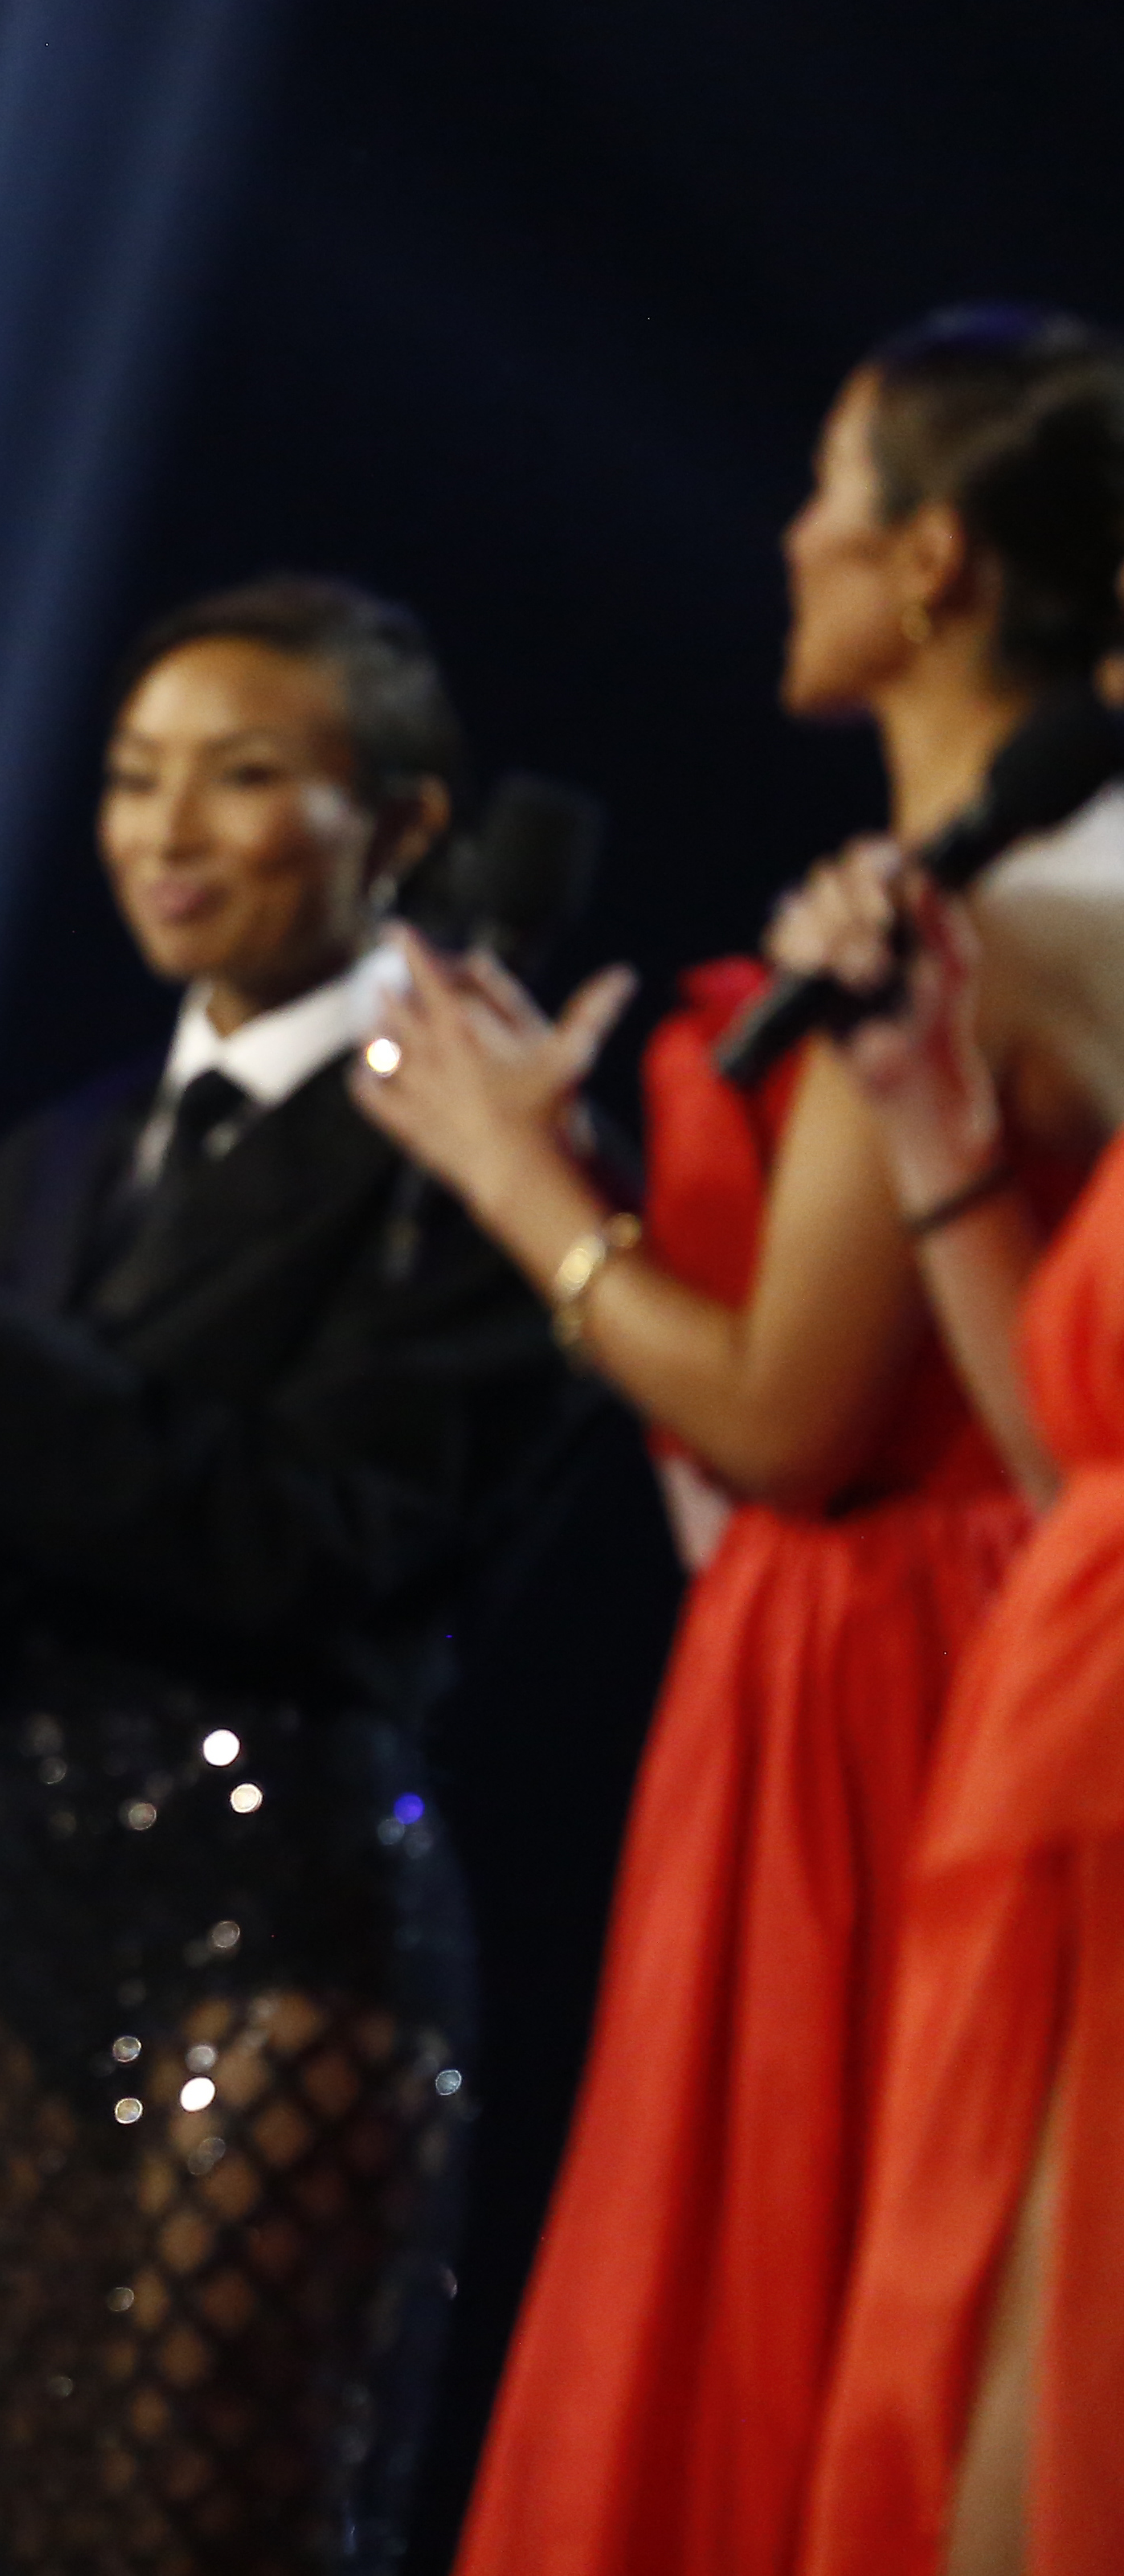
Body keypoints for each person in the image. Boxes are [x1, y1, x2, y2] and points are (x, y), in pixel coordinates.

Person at [0, 578, 595, 2575]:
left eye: (242, 779)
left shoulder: (477, 1146)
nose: (164, 832)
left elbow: (299, 1542)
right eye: (132, 779)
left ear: (403, 827)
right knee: (21, 2519)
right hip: (10, 1920)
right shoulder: (56, 1158)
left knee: (220, 2520)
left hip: (286, 1907)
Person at [351, 305, 1124, 2576]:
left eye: (827, 485)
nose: (786, 532)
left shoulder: (1006, 913)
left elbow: (791, 1415)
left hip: (923, 1665)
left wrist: (518, 1187)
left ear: (935, 565)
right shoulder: (938, 907)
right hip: (884, 1646)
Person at [766, 583, 1124, 2573]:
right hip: (1065, 1768)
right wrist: (917, 1096)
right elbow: (1077, 1443)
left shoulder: (1080, 928)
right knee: (995, 2426)